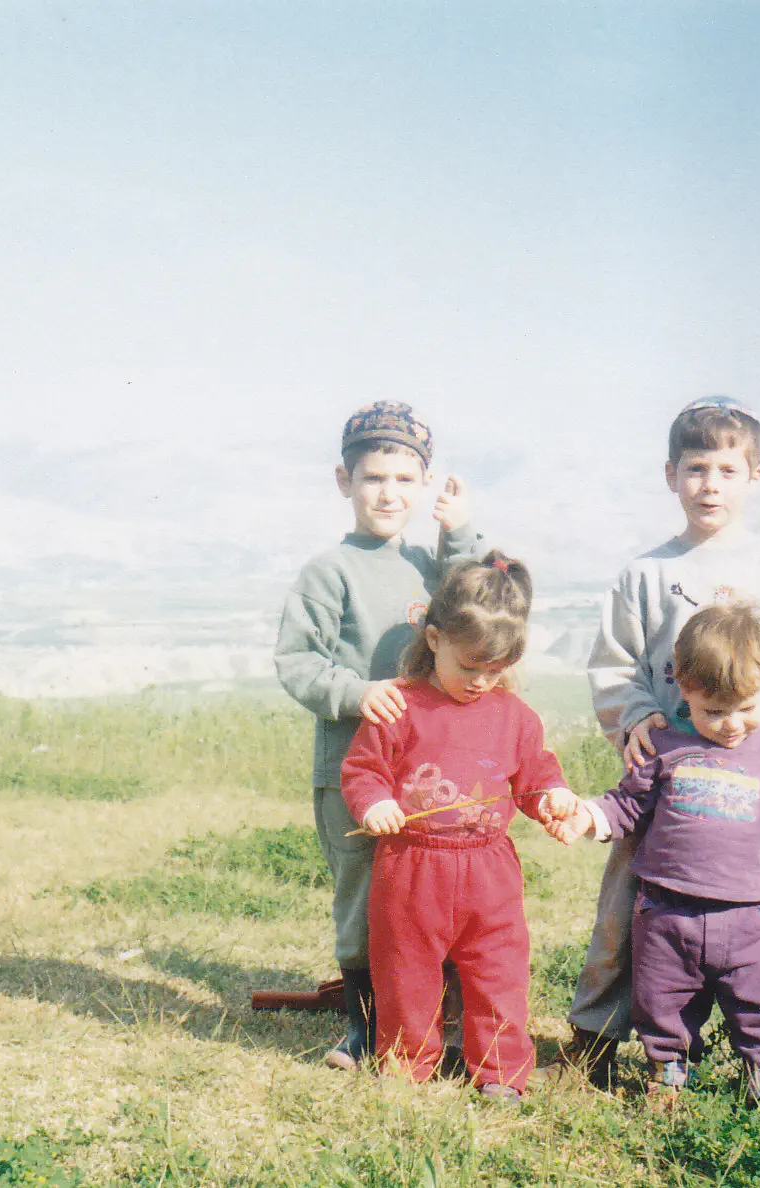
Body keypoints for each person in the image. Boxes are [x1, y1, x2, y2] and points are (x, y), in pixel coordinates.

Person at [560, 395, 760, 1088]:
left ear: (755, 476)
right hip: (661, 781)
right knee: (625, 915)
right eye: (696, 468)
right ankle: (596, 1039)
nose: (710, 485)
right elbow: (614, 664)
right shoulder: (644, 575)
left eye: (727, 470)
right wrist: (635, 714)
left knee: (759, 923)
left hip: (748, 789)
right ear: (671, 475)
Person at [555, 602, 760, 1115]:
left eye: (745, 708)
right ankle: (667, 1072)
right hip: (668, 911)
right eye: (713, 711)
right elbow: (626, 805)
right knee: (663, 998)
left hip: (752, 916)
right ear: (683, 688)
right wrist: (587, 817)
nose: (731, 725)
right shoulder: (661, 746)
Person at [274, 401, 484, 1072]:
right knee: (364, 896)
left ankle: (437, 1022)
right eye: (372, 478)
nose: (388, 494)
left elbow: (478, 599)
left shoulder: (430, 566)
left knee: (433, 892)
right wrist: (357, 692)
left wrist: (460, 532)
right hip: (351, 768)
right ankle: (365, 1026)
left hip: (429, 772)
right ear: (345, 481)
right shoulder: (329, 572)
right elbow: (297, 662)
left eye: (403, 480)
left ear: (424, 486)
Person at [343, 552, 580, 1102]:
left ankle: (500, 1071)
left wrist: (554, 797)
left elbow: (535, 775)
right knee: (406, 972)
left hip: (489, 871)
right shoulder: (398, 706)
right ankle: (405, 1066)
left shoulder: (515, 716)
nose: (481, 682)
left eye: (495, 670)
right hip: (410, 866)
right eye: (470, 666)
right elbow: (362, 770)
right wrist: (373, 802)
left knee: (499, 971)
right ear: (434, 639)